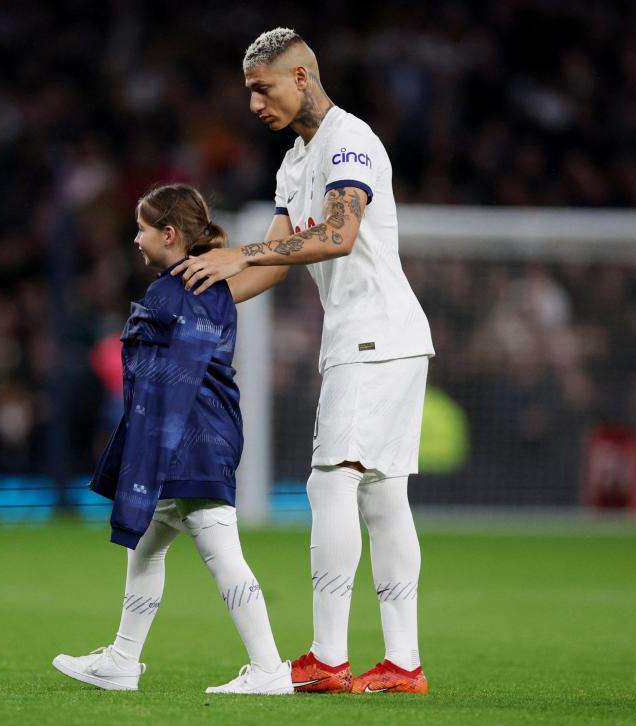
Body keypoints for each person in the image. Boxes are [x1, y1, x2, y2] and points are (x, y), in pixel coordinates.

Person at [173, 28, 435, 695]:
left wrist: (243, 255)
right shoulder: (296, 163)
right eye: (248, 92)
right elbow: (272, 262)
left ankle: (326, 658)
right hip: (382, 338)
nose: (254, 103)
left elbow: (339, 236)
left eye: (262, 88)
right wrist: (201, 297)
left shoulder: (351, 141)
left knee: (331, 483)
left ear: (299, 77)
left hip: (375, 335)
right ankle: (403, 664)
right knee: (381, 495)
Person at [52, 183, 293, 696]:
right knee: (145, 547)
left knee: (222, 552)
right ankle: (121, 658)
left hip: (189, 442)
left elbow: (170, 381)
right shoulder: (209, 287)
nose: (135, 238)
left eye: (142, 228)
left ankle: (270, 668)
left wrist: (148, 453)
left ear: (168, 233)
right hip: (198, 436)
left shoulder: (173, 292)